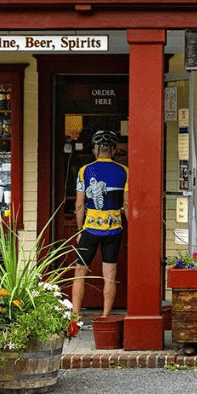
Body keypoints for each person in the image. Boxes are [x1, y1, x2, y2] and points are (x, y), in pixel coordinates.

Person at [71, 130, 128, 321]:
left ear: (95, 150)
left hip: (90, 228)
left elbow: (79, 205)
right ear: (114, 150)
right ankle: (105, 315)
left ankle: (75, 316)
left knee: (80, 271)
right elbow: (127, 204)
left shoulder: (85, 170)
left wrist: (79, 230)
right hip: (114, 229)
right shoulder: (124, 171)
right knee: (109, 274)